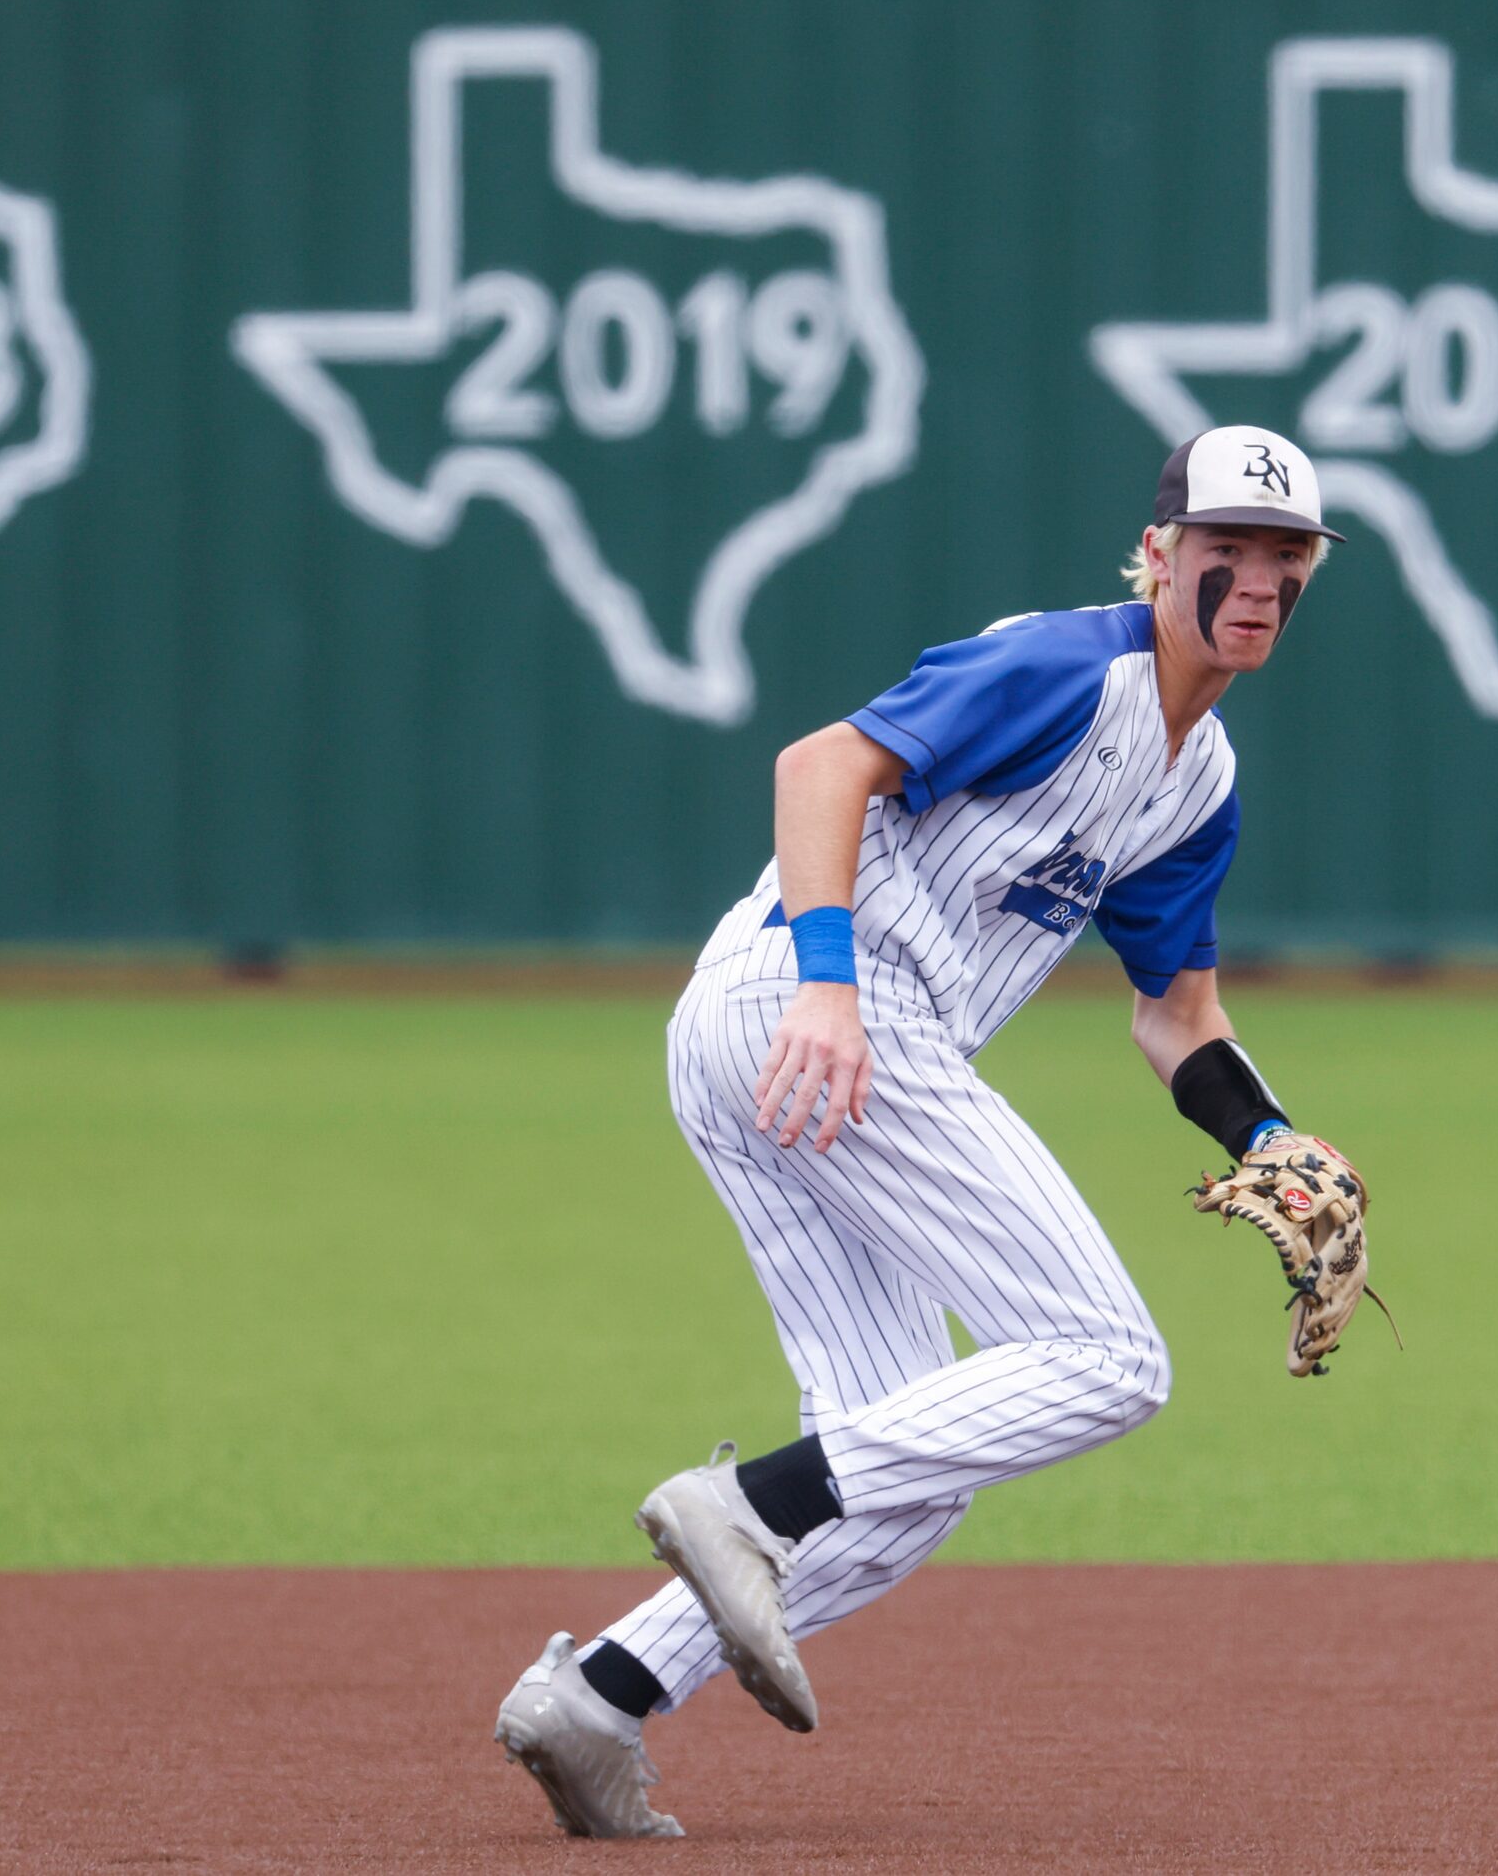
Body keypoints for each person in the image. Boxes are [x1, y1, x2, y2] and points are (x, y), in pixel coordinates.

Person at [493, 425, 1375, 1838]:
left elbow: (1179, 1016)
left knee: (911, 1472)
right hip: (822, 1003)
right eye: (1229, 550)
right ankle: (747, 1500)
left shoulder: (1196, 780)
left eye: (1289, 556)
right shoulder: (1063, 665)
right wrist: (833, 989)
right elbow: (819, 767)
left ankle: (596, 1695)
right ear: (1161, 556)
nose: (1260, 580)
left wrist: (1269, 1138)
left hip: (779, 1041)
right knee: (1108, 1355)